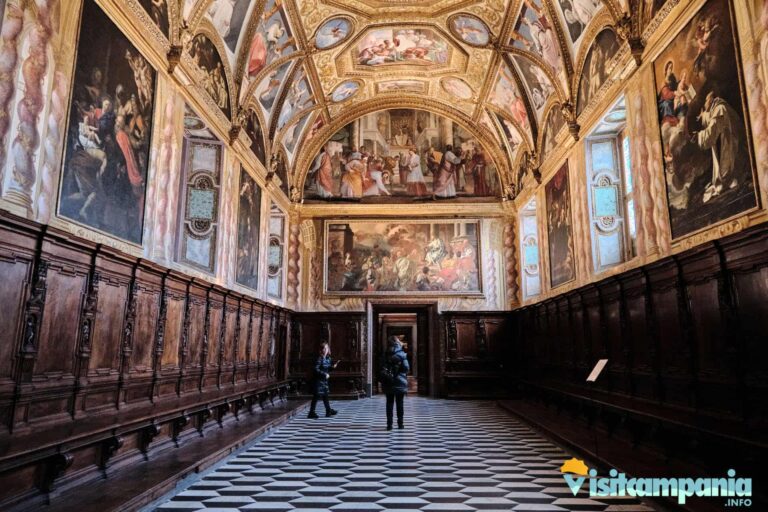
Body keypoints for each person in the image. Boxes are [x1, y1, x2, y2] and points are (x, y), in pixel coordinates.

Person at [381, 336, 410, 430]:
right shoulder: (402, 354)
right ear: (398, 343)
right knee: (400, 403)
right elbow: (406, 368)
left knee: (389, 403)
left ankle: (389, 425)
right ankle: (400, 424)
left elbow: (381, 367)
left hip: (388, 381)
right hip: (400, 381)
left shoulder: (385, 354)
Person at [308, 342, 339, 419]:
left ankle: (328, 411)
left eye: (326, 348)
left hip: (324, 381)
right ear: (321, 350)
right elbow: (316, 369)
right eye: (323, 348)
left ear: (328, 349)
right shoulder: (319, 358)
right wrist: (324, 374)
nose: (325, 350)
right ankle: (311, 412)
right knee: (316, 396)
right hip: (318, 381)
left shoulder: (327, 358)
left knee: (325, 396)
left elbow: (327, 369)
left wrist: (333, 367)